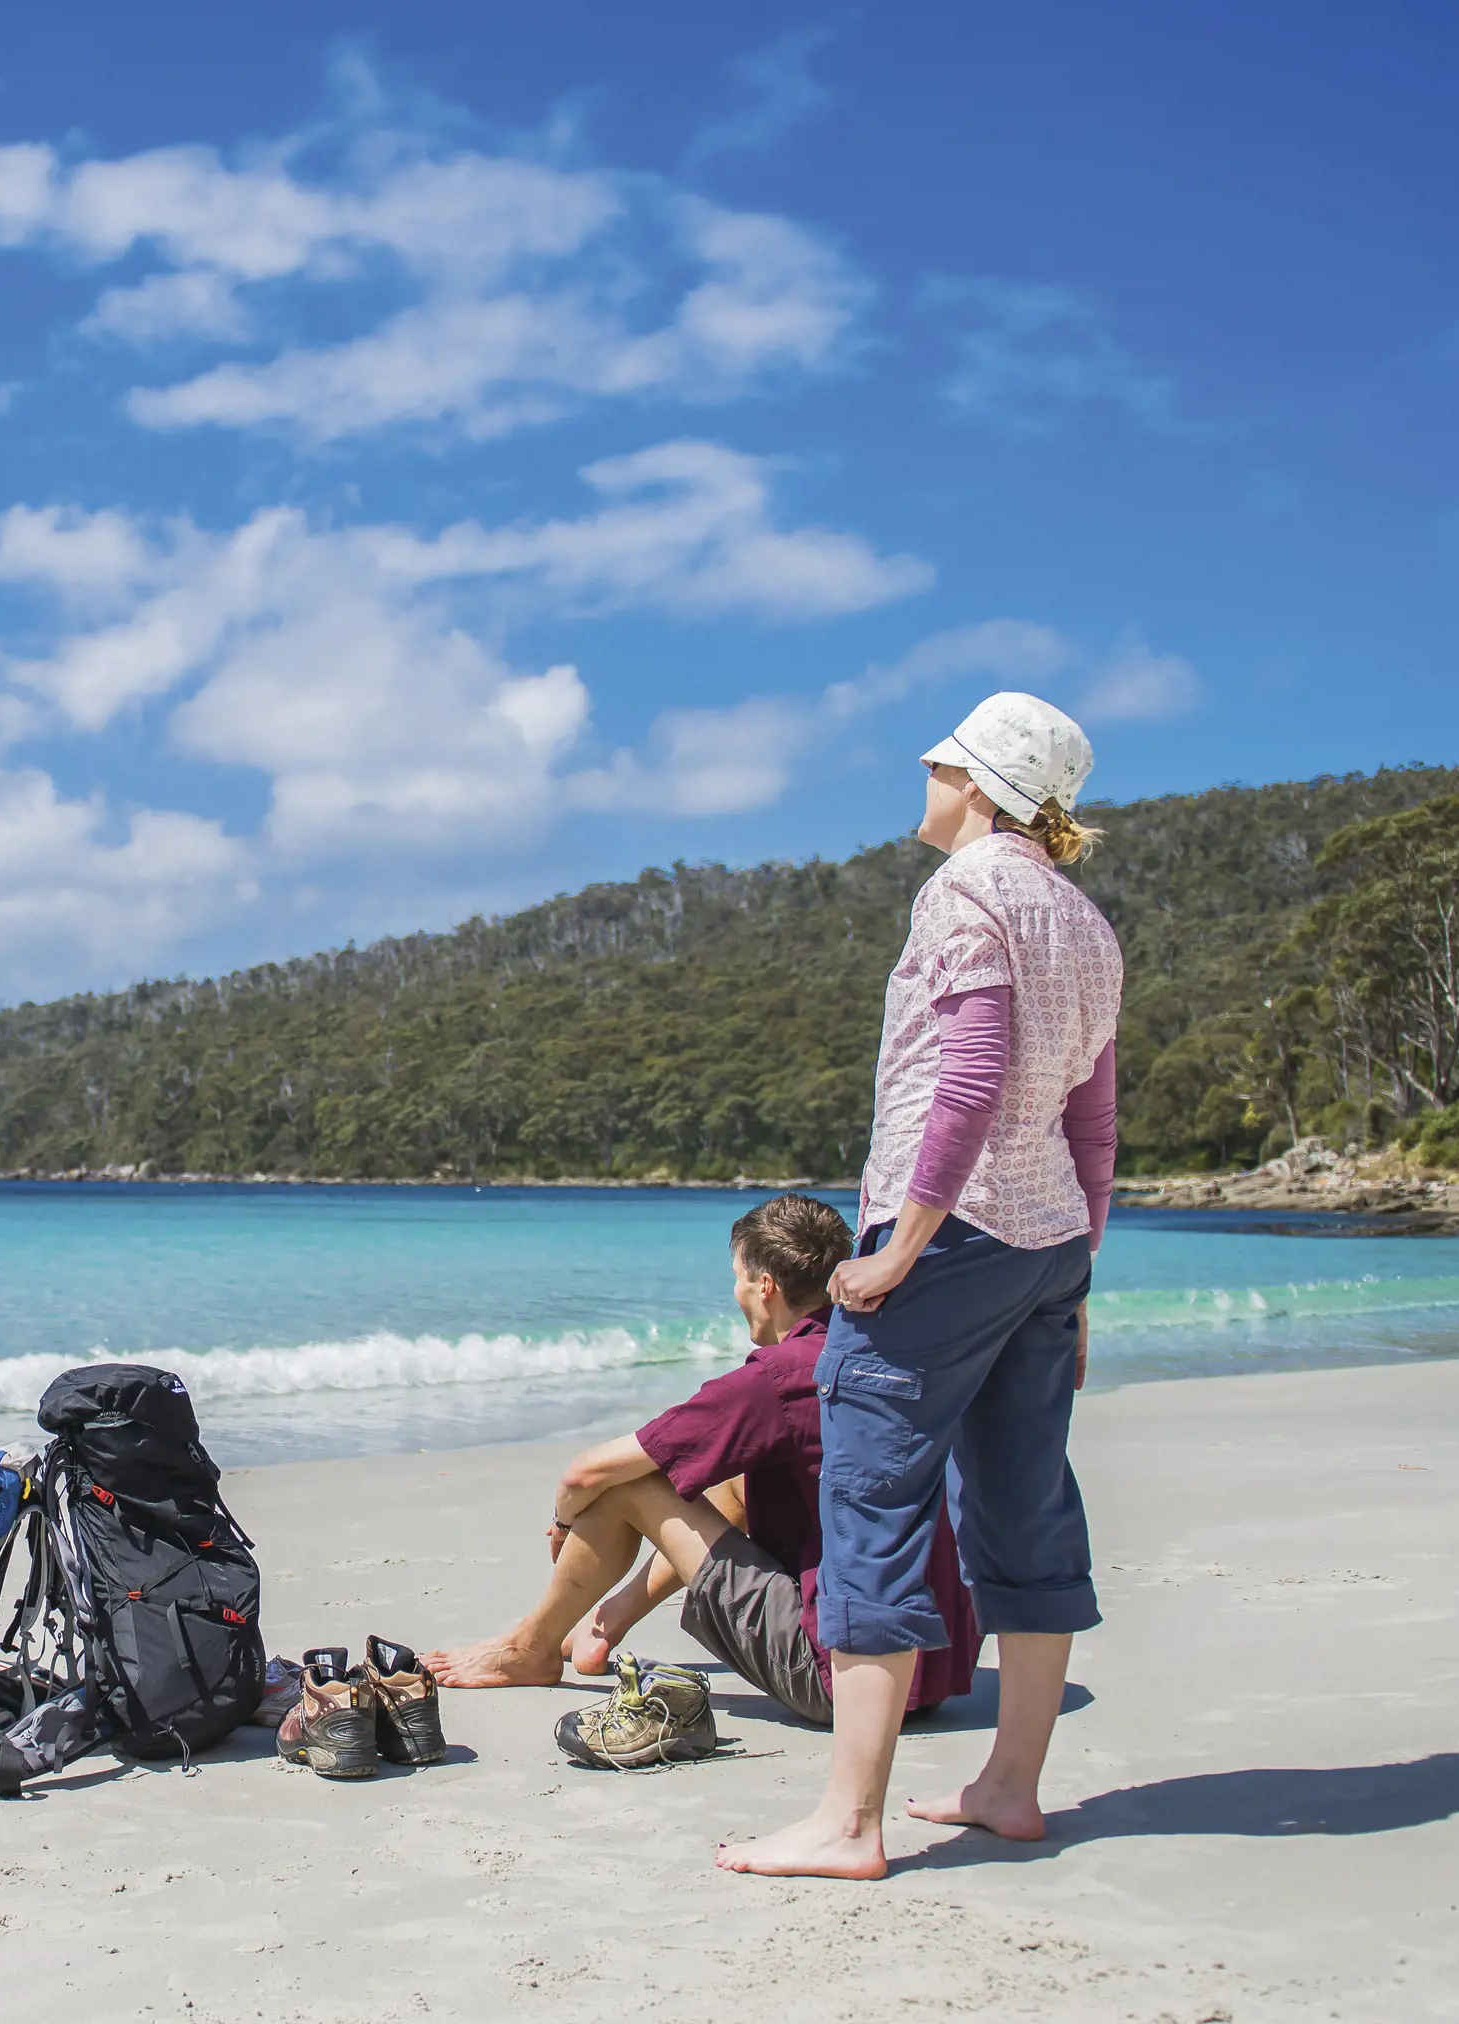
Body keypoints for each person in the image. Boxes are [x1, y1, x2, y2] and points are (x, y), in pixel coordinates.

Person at [717, 692, 1121, 1881]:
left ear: (982, 785)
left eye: (940, 760)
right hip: (1044, 1241)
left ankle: (848, 1820)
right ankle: (1009, 1784)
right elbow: (1089, 1124)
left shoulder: (964, 891)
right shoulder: (1084, 920)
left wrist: (899, 1247)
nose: (924, 773)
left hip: (949, 1238)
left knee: (872, 1502)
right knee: (1024, 1495)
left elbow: (974, 1073)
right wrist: (1079, 1271)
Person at [422, 1195, 983, 1729]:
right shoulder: (881, 1353)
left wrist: (566, 1520)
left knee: (628, 1487)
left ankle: (529, 1650)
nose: (735, 1292)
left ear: (766, 1286)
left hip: (842, 1682)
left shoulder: (781, 1377)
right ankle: (607, 1622)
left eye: (738, 1278)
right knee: (741, 1481)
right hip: (936, 1670)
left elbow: (586, 1473)